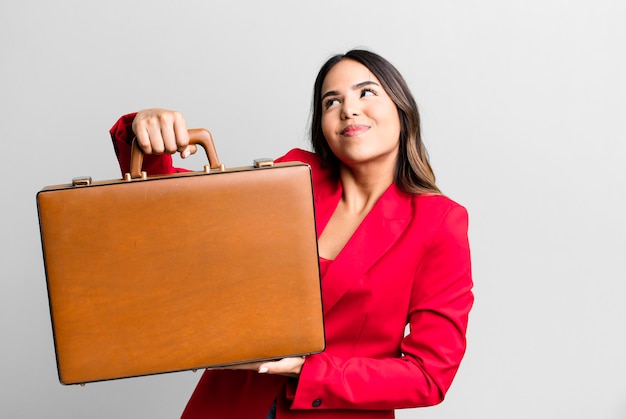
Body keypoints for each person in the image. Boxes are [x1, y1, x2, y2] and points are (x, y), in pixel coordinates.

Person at [109, 49, 473, 419]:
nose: (348, 109)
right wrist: (144, 131)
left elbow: (429, 375)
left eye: (366, 92)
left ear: (401, 108)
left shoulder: (438, 222)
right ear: (323, 126)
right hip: (227, 406)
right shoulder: (293, 177)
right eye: (332, 101)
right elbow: (172, 214)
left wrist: (307, 369)